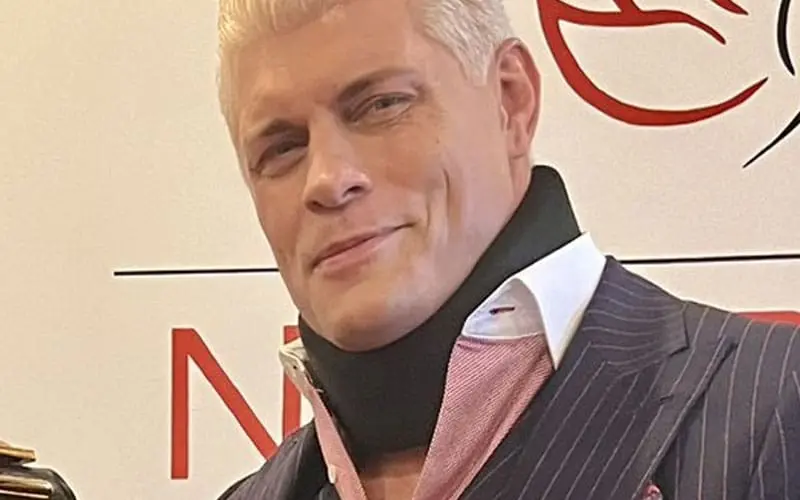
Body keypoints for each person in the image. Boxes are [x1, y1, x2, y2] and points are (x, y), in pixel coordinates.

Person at [214, 0, 800, 498]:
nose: (326, 178)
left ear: (511, 101)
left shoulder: (779, 401)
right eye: (281, 147)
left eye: (381, 105)